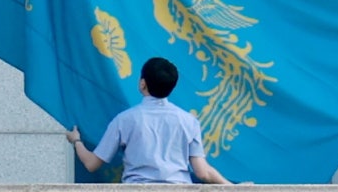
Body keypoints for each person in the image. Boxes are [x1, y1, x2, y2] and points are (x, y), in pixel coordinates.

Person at [65, 57, 232, 184]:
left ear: (142, 84)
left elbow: (92, 164)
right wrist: (232, 187)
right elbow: (202, 172)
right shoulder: (188, 121)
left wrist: (76, 140)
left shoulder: (124, 120)